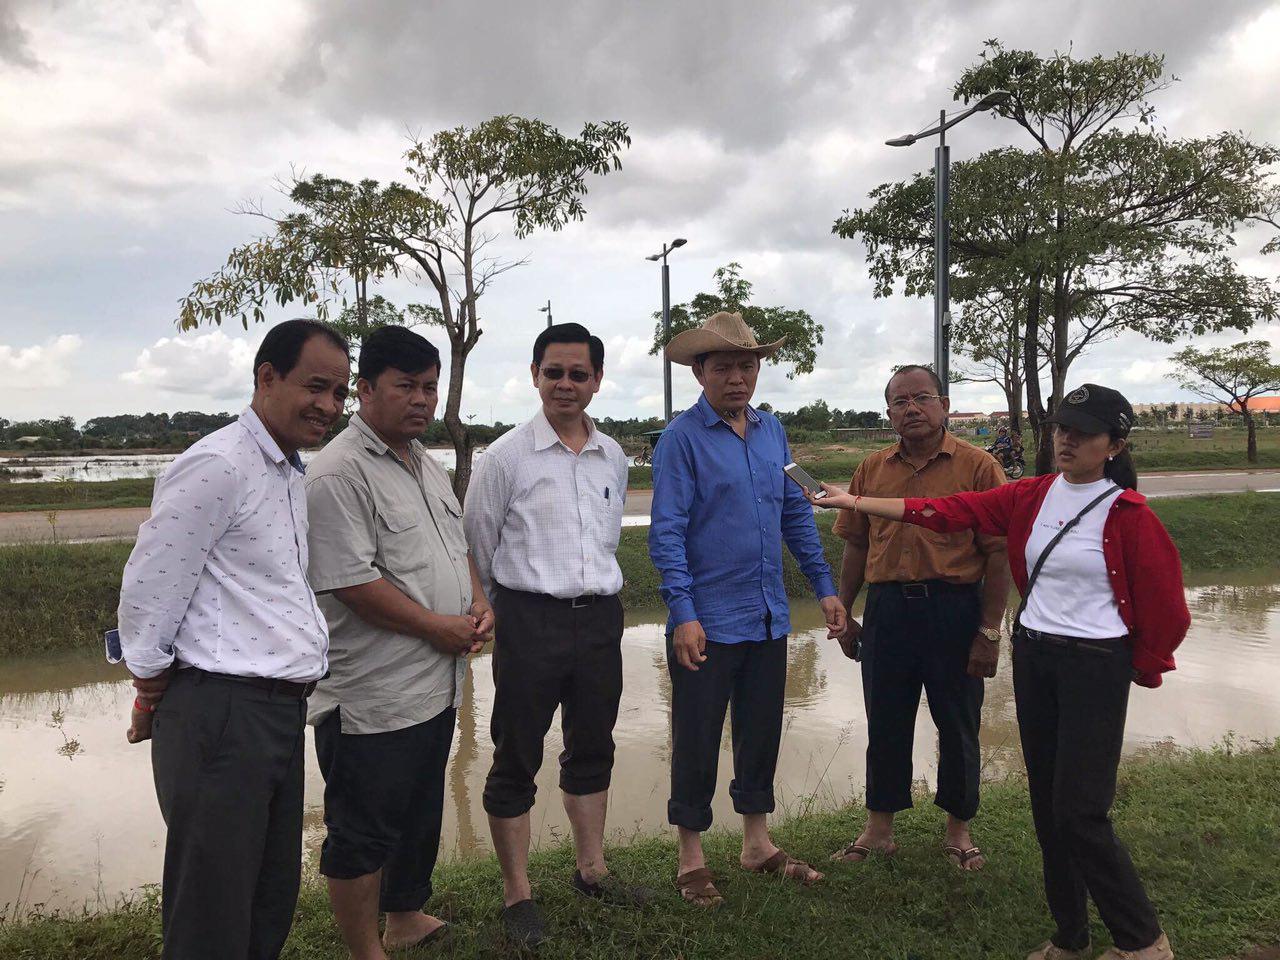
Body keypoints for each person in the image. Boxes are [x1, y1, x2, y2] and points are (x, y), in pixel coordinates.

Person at [810, 383, 1189, 960]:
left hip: (1093, 665)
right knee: (1047, 808)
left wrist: (1141, 666)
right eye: (1061, 429)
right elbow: (942, 512)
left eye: (1083, 433)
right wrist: (854, 501)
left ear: (1114, 445)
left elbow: (1168, 612)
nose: (1067, 441)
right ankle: (1070, 938)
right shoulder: (1031, 495)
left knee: (1080, 811)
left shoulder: (1130, 515)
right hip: (1035, 655)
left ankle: (1142, 942)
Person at [117, 318, 350, 960]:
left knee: (268, 897)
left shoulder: (286, 471)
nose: (329, 405)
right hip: (223, 713)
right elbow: (150, 589)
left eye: (339, 392)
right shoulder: (218, 465)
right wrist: (151, 689)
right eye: (316, 387)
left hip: (276, 711)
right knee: (212, 911)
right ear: (266, 377)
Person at [303, 326, 493, 960]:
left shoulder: (425, 464)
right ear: (364, 390)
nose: (422, 400)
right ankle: (366, 949)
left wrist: (478, 602)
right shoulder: (338, 473)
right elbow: (351, 583)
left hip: (434, 684)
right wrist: (437, 626)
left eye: (430, 387)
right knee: (362, 828)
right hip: (371, 696)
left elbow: (457, 548)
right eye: (406, 386)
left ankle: (405, 916)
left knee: (419, 811)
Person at [649, 311, 847, 907]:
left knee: (760, 732)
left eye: (747, 365)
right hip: (706, 622)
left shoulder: (771, 431)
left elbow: (795, 513)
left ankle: (757, 844)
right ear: (699, 372)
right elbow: (667, 532)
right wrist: (684, 612)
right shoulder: (681, 440)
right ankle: (691, 857)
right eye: (723, 367)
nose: (737, 377)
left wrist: (824, 586)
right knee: (697, 737)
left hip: (767, 615)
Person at [463, 322, 641, 947]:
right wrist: (491, 610)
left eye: (578, 373)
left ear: (597, 380)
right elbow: (476, 546)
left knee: (593, 745)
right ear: (535, 375)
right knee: (517, 752)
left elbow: (606, 540)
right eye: (554, 372)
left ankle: (592, 871)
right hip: (528, 619)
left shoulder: (612, 455)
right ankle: (518, 893)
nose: (566, 384)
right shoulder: (505, 458)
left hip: (600, 619)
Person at [829, 365, 1010, 870]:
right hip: (887, 611)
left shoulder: (978, 467)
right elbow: (856, 545)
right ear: (888, 413)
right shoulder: (871, 469)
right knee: (885, 721)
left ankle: (958, 830)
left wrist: (989, 631)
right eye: (900, 402)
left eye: (922, 398)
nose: (911, 409)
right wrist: (845, 610)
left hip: (954, 610)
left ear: (944, 405)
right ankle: (878, 829)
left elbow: (999, 554)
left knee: (959, 723)